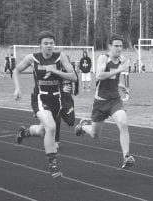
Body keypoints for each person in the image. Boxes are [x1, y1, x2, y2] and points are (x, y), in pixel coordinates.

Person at [13, 30, 77, 178]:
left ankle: (24, 132)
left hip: (57, 99)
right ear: (40, 45)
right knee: (51, 127)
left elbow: (73, 77)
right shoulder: (32, 58)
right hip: (40, 98)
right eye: (45, 43)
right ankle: (53, 165)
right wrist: (17, 88)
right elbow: (16, 71)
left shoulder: (60, 57)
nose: (49, 46)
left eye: (51, 43)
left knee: (43, 131)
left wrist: (55, 71)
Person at [74, 35, 135, 169]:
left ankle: (126, 156)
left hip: (115, 100)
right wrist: (120, 69)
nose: (119, 48)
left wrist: (119, 85)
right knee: (95, 134)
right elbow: (99, 75)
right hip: (100, 103)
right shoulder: (103, 58)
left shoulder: (122, 60)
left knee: (123, 123)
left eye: (121, 46)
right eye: (116, 46)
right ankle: (82, 127)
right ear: (109, 46)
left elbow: (114, 76)